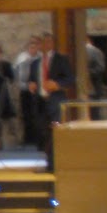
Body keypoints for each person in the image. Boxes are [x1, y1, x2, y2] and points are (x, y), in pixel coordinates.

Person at [26, 31, 74, 171]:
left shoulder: (61, 59)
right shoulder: (35, 63)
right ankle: (48, 163)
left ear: (52, 43)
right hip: (40, 102)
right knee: (44, 133)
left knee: (56, 132)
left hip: (55, 101)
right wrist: (32, 84)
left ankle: (57, 163)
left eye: (48, 42)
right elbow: (32, 80)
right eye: (43, 42)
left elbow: (70, 79)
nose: (45, 45)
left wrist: (57, 84)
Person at [13, 35, 41, 146]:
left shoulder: (40, 57)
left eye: (35, 45)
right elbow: (18, 75)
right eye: (31, 45)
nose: (33, 48)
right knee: (26, 114)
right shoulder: (22, 58)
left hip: (38, 90)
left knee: (37, 114)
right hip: (25, 90)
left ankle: (37, 137)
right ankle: (28, 138)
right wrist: (26, 85)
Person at [84, 38, 106, 120]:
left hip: (94, 88)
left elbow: (100, 68)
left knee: (94, 114)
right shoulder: (78, 52)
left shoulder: (95, 52)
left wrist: (87, 73)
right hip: (84, 88)